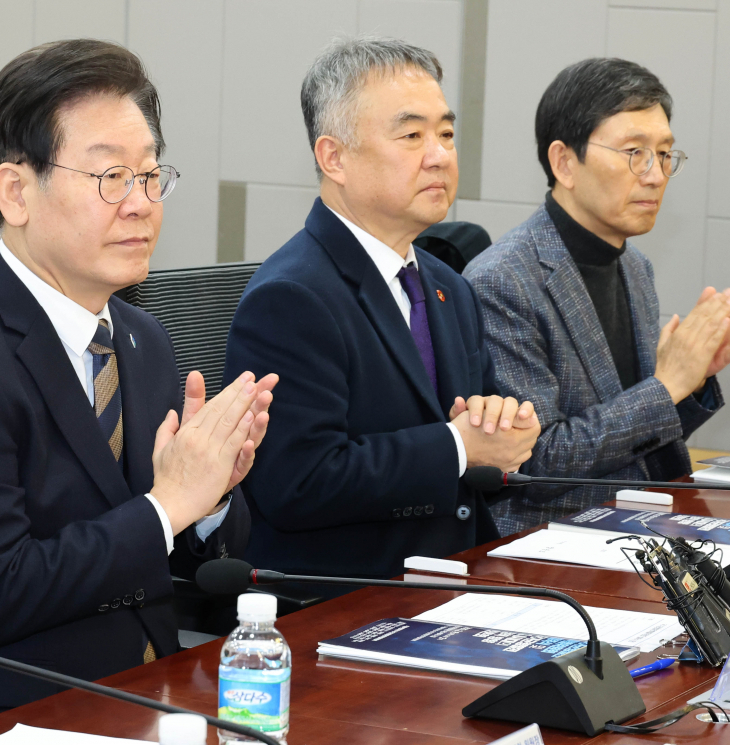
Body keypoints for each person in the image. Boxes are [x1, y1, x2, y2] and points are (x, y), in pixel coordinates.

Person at [0, 39, 277, 711]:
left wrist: (209, 500)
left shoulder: (141, 339)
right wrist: (168, 505)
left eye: (151, 175)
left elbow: (178, 564)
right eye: (110, 177)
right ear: (15, 191)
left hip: (147, 687)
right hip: (13, 707)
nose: (142, 203)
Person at [223, 36, 540, 584]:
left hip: (461, 575)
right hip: (348, 600)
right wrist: (459, 446)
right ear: (334, 157)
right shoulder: (292, 297)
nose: (439, 154)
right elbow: (297, 483)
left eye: (445, 133)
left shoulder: (448, 285)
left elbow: (474, 431)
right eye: (412, 135)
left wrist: (506, 430)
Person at [464, 58, 730, 534]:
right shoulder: (503, 280)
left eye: (664, 153)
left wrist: (693, 380)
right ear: (564, 162)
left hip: (642, 523)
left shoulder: (634, 267)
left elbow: (636, 438)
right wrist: (667, 386)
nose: (656, 174)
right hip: (550, 543)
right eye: (634, 152)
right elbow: (533, 465)